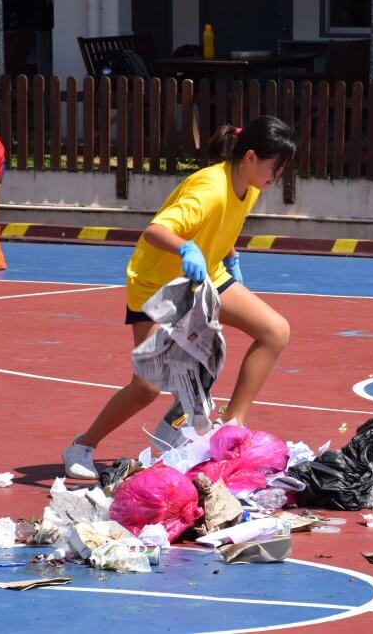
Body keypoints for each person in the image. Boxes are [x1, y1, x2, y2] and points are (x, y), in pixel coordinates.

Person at [62, 116, 297, 478]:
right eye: (275, 167)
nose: (277, 177)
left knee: (275, 331)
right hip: (158, 285)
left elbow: (222, 224)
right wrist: (186, 248)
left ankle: (232, 424)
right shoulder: (208, 189)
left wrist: (231, 258)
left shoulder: (249, 187)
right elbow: (156, 230)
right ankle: (82, 446)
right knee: (147, 386)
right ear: (250, 157)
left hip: (207, 276)